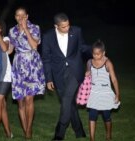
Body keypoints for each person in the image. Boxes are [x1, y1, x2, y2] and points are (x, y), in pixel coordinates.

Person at [42, 12, 91, 140]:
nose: (67, 28)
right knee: (69, 103)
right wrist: (49, 79)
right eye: (64, 27)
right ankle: (79, 132)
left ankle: (60, 133)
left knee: (66, 99)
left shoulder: (77, 31)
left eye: (68, 25)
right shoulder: (48, 37)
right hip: (58, 74)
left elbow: (82, 47)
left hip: (75, 71)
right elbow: (46, 59)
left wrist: (95, 50)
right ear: (56, 26)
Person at [8, 6, 45, 139]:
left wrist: (26, 30)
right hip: (18, 66)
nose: (20, 18)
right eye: (18, 15)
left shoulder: (35, 28)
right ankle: (25, 130)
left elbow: (34, 46)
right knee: (20, 101)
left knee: (29, 99)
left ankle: (29, 130)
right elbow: (9, 50)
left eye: (23, 15)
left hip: (32, 65)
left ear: (27, 16)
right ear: (15, 17)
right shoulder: (12, 31)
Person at [86, 39, 120, 141]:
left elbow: (114, 79)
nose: (95, 56)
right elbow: (88, 74)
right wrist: (87, 74)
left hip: (105, 92)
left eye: (98, 54)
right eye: (94, 53)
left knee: (106, 116)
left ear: (103, 53)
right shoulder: (89, 62)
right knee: (92, 115)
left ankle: (108, 136)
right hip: (94, 92)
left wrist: (117, 94)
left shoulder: (108, 63)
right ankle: (92, 138)